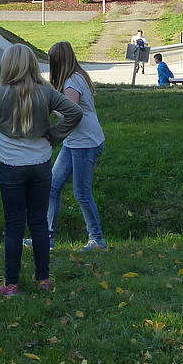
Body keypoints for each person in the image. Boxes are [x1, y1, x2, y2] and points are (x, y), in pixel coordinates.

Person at [0, 44, 82, 296]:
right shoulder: (46, 93)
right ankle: (43, 280)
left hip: (11, 167)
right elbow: (74, 113)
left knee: (14, 226)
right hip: (40, 165)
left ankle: (11, 283)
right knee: (38, 222)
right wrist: (55, 134)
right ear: (32, 65)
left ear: (7, 65)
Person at [43, 41, 108, 252]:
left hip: (85, 143)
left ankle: (97, 239)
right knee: (52, 187)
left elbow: (70, 113)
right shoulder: (77, 77)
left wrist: (51, 118)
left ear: (57, 62)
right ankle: (47, 238)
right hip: (75, 142)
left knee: (81, 192)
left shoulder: (71, 82)